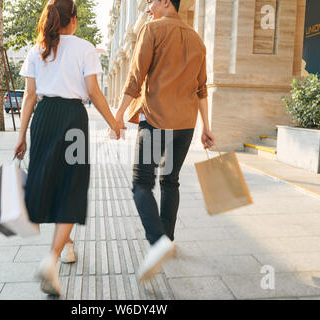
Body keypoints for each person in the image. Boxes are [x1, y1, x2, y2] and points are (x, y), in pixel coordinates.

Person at [14, 0, 122, 296]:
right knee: (72, 187)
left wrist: (21, 135)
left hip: (44, 118)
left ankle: (65, 246)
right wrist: (114, 123)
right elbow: (93, 92)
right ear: (72, 19)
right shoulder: (85, 48)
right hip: (73, 120)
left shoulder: (37, 50)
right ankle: (52, 258)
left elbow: (29, 97)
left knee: (49, 181)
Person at [114, 0, 215, 282]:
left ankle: (158, 242)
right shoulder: (197, 40)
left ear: (165, 2)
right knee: (170, 181)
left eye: (150, 1)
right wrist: (207, 126)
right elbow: (201, 88)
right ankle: (168, 240)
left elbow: (135, 77)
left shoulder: (152, 30)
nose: (147, 7)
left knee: (141, 184)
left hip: (156, 121)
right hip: (186, 125)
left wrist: (119, 115)